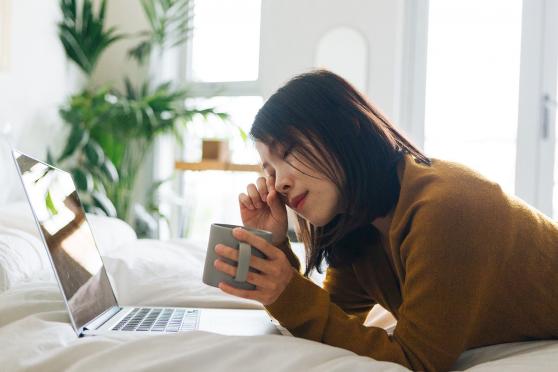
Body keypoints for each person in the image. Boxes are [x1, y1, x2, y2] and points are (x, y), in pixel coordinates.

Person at [212, 69, 558, 371]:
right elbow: (328, 317)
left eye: (288, 152)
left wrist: (288, 291)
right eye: (269, 170)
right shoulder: (358, 224)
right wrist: (275, 246)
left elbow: (417, 361)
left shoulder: (445, 206)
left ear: (349, 128)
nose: (280, 182)